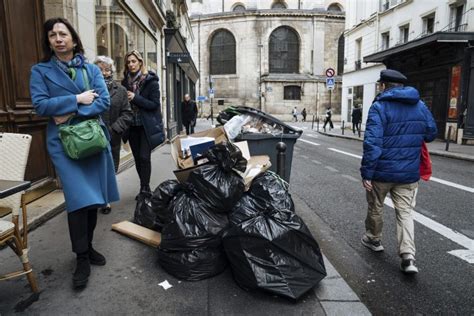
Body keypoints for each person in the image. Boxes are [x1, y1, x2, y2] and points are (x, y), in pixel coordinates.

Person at [29, 17, 120, 288]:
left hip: (91, 139)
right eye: (52, 35)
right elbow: (40, 105)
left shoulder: (91, 70)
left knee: (92, 198)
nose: (58, 39)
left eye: (63, 33)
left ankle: (88, 246)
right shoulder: (40, 71)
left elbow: (103, 101)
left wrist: (68, 112)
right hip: (64, 144)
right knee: (78, 199)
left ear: (73, 38)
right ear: (48, 42)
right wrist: (77, 99)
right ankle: (81, 256)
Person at [360, 69, 437, 274]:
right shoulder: (419, 105)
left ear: (384, 86)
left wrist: (367, 172)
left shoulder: (379, 107)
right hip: (408, 173)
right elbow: (430, 133)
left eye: (380, 85)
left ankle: (374, 239)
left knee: (376, 207)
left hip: (382, 173)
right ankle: (408, 256)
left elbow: (372, 143)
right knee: (405, 213)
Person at [121, 50, 165, 198]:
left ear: (140, 62)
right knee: (138, 159)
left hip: (146, 126)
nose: (131, 64)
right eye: (128, 62)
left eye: (134, 61)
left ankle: (145, 188)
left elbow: (154, 104)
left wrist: (135, 98)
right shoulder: (124, 83)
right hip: (132, 126)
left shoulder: (150, 81)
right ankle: (144, 187)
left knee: (145, 157)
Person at [93, 56, 133, 214]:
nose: (104, 72)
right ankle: (98, 198)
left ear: (112, 71)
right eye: (100, 69)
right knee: (95, 168)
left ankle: (106, 199)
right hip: (92, 137)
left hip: (112, 137)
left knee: (110, 169)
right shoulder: (88, 89)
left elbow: (127, 114)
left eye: (107, 69)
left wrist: (115, 128)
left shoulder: (121, 91)